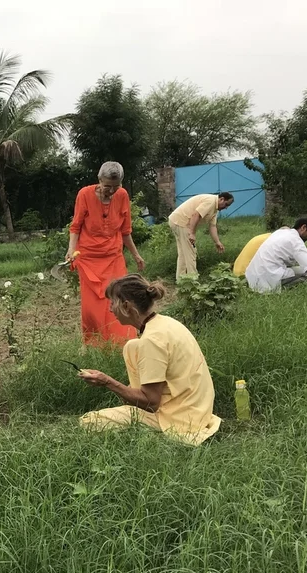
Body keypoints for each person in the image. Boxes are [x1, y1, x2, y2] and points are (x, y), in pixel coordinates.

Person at [77, 274, 222, 446]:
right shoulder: (166, 323)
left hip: (180, 419)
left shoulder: (152, 340)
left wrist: (107, 381)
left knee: (89, 422)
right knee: (132, 346)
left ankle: (159, 433)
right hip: (198, 409)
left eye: (112, 303)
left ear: (126, 306)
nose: (110, 309)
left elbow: (151, 403)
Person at [65, 161, 145, 346]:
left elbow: (125, 231)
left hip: (113, 258)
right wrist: (71, 250)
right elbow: (75, 226)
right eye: (107, 186)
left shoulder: (122, 195)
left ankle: (124, 342)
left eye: (116, 187)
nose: (111, 191)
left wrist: (136, 255)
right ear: (99, 179)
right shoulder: (84, 194)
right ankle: (96, 344)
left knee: (119, 299)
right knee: (92, 308)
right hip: (89, 259)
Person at [245, 216, 307, 293]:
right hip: (268, 277)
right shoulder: (296, 241)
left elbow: (284, 227)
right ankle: (283, 290)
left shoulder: (281, 232)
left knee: (296, 267)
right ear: (303, 227)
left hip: (252, 276)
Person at [168, 192, 235, 281]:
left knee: (184, 254)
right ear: (221, 199)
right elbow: (196, 215)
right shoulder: (210, 201)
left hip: (177, 221)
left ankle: (181, 280)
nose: (226, 208)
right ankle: (193, 282)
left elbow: (212, 226)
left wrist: (217, 242)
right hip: (181, 222)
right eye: (226, 204)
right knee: (191, 252)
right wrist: (191, 233)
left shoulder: (214, 208)